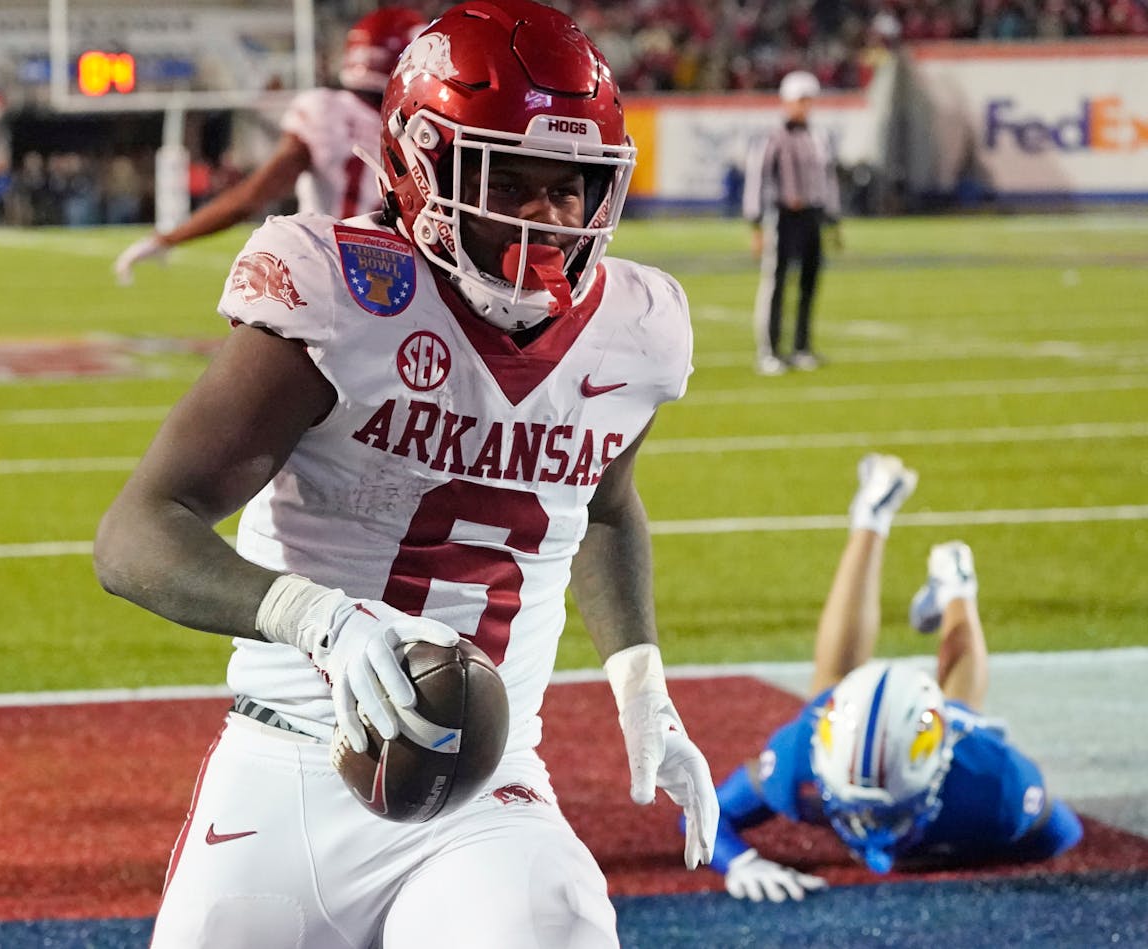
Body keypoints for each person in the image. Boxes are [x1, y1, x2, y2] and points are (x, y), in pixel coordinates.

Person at [93, 3, 720, 946]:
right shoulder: (339, 292)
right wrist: (320, 618)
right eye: (507, 177)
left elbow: (600, 506)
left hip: (490, 787)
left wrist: (639, 675)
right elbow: (140, 528)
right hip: (291, 756)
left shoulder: (636, 327)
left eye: (569, 187)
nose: (542, 217)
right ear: (421, 165)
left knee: (557, 921)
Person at [702, 453, 1083, 902]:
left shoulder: (993, 783)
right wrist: (739, 862)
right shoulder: (795, 757)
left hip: (959, 750)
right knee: (844, 683)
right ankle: (953, 579)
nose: (869, 827)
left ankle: (896, 534)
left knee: (919, 698)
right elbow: (704, 817)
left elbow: (1060, 834)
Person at [112, 7, 427, 285]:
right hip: (403, 278)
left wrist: (168, 238)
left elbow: (250, 198)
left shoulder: (326, 110)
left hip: (334, 275)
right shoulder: (423, 127)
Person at [742, 69, 842, 376]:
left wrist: (833, 220)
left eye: (808, 100)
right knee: (776, 283)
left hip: (812, 216)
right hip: (783, 216)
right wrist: (756, 223)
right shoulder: (773, 137)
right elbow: (757, 179)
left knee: (809, 284)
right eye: (800, 100)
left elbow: (828, 180)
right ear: (787, 102)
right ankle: (769, 351)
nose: (805, 106)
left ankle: (801, 347)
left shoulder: (818, 136)